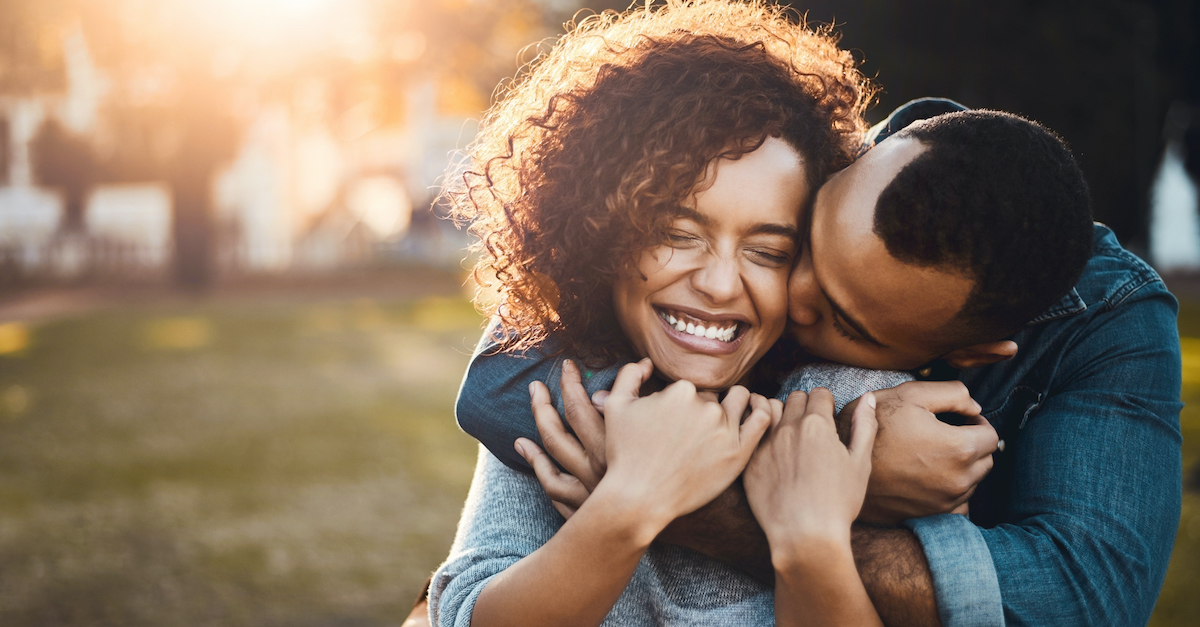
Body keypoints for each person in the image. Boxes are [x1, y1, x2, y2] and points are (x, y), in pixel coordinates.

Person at [468, 100, 1183, 626]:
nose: (787, 295)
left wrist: (804, 494)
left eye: (842, 318)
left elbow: (1082, 599)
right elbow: (497, 390)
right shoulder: (787, 165)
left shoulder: (915, 400)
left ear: (960, 355)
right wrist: (835, 459)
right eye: (802, 244)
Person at [428, 1, 894, 625]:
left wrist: (806, 542)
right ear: (600, 231)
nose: (721, 283)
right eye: (678, 233)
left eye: (768, 251)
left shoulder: (852, 403)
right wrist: (633, 501)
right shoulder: (560, 383)